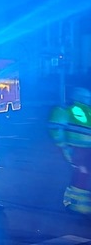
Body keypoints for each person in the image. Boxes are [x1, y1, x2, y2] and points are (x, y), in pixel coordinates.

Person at [48, 86, 91, 215]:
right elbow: (55, 128)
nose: (88, 99)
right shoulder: (67, 109)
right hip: (76, 149)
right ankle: (77, 206)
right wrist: (64, 147)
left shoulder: (86, 110)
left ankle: (71, 202)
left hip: (83, 149)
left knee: (81, 174)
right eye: (86, 97)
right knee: (82, 173)